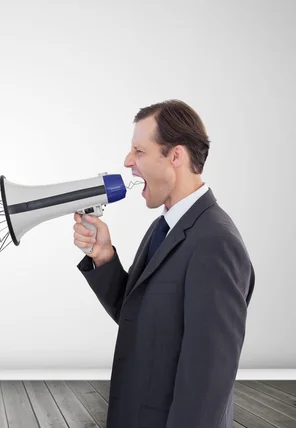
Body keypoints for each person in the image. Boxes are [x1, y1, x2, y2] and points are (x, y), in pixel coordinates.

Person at [74, 100, 255, 428]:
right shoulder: (165, 227)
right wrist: (104, 258)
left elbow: (207, 384)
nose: (128, 161)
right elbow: (141, 319)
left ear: (176, 156)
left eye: (139, 151)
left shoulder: (216, 243)